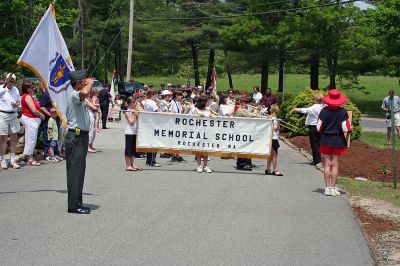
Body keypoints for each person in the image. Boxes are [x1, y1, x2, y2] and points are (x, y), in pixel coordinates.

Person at [65, 69, 93, 214]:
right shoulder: (74, 94)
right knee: (75, 171)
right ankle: (74, 205)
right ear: (77, 85)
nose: (86, 84)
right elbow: (84, 93)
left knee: (79, 171)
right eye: (83, 82)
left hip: (80, 136)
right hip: (76, 136)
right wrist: (89, 83)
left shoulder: (78, 97)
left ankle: (77, 202)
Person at [317, 89, 351, 197]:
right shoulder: (343, 112)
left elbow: (318, 127)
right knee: (335, 165)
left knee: (327, 164)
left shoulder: (323, 111)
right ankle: (334, 187)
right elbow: (345, 128)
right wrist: (351, 128)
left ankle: (327, 188)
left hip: (326, 139)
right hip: (338, 139)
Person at [291, 93, 324, 166]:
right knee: (318, 143)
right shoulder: (324, 107)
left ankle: (317, 160)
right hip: (321, 126)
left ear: (315, 99)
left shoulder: (313, 107)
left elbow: (304, 110)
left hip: (313, 126)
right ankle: (317, 159)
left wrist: (295, 109)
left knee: (314, 144)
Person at [20, 81, 45, 166]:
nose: (33, 88)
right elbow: (33, 110)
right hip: (30, 119)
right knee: (30, 139)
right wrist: (41, 115)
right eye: (31, 87)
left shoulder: (29, 96)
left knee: (31, 139)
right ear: (26, 88)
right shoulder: (26, 96)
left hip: (32, 120)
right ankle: (29, 159)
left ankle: (29, 157)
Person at [0, 73, 21, 169]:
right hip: (3, 115)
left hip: (13, 115)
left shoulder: (15, 89)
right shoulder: (1, 88)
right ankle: (3, 160)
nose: (10, 82)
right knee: (3, 138)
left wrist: (16, 104)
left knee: (14, 138)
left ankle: (12, 160)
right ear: (5, 79)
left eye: (12, 81)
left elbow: (18, 102)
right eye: (9, 80)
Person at [234, 96, 259, 171]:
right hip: (242, 131)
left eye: (246, 102)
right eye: (244, 102)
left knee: (246, 147)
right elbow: (252, 116)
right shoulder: (240, 110)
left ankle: (246, 162)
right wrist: (257, 111)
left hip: (244, 130)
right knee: (243, 147)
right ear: (240, 102)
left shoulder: (243, 109)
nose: (245, 103)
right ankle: (241, 164)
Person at [39, 89, 61, 161]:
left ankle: (56, 153)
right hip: (49, 119)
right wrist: (50, 115)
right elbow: (42, 106)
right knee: (49, 138)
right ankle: (48, 155)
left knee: (56, 137)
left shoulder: (57, 94)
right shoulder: (46, 95)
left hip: (56, 118)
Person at [193, 96, 213, 173]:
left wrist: (210, 115)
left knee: (205, 149)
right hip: (198, 131)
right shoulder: (196, 109)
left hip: (207, 131)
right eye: (207, 102)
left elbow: (212, 117)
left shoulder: (208, 109)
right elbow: (194, 118)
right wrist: (200, 115)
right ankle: (199, 165)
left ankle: (205, 166)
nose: (208, 103)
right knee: (199, 149)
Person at [122, 96, 143, 171]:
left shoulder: (134, 110)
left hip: (135, 132)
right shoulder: (128, 111)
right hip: (129, 132)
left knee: (133, 149)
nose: (137, 104)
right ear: (131, 103)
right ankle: (128, 165)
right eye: (135, 103)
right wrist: (134, 114)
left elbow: (139, 119)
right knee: (129, 149)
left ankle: (132, 164)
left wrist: (137, 113)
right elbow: (131, 122)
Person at [142, 89, 160, 167]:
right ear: (152, 95)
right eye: (155, 95)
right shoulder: (152, 102)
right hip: (153, 123)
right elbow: (157, 111)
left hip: (147, 123)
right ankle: (152, 161)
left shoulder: (144, 102)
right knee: (153, 143)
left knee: (149, 142)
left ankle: (148, 160)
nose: (156, 96)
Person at [265, 104, 283, 176]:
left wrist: (278, 122)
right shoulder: (272, 118)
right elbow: (274, 129)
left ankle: (267, 169)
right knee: (275, 155)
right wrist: (277, 122)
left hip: (272, 137)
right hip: (273, 138)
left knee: (270, 155)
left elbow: (277, 129)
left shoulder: (273, 118)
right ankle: (275, 170)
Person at [170, 90, 185, 162]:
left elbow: (181, 111)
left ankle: (178, 155)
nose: (181, 96)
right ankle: (173, 155)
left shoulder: (179, 103)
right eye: (180, 95)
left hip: (179, 122)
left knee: (178, 139)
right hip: (173, 123)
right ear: (176, 96)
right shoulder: (172, 103)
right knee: (174, 139)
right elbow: (169, 111)